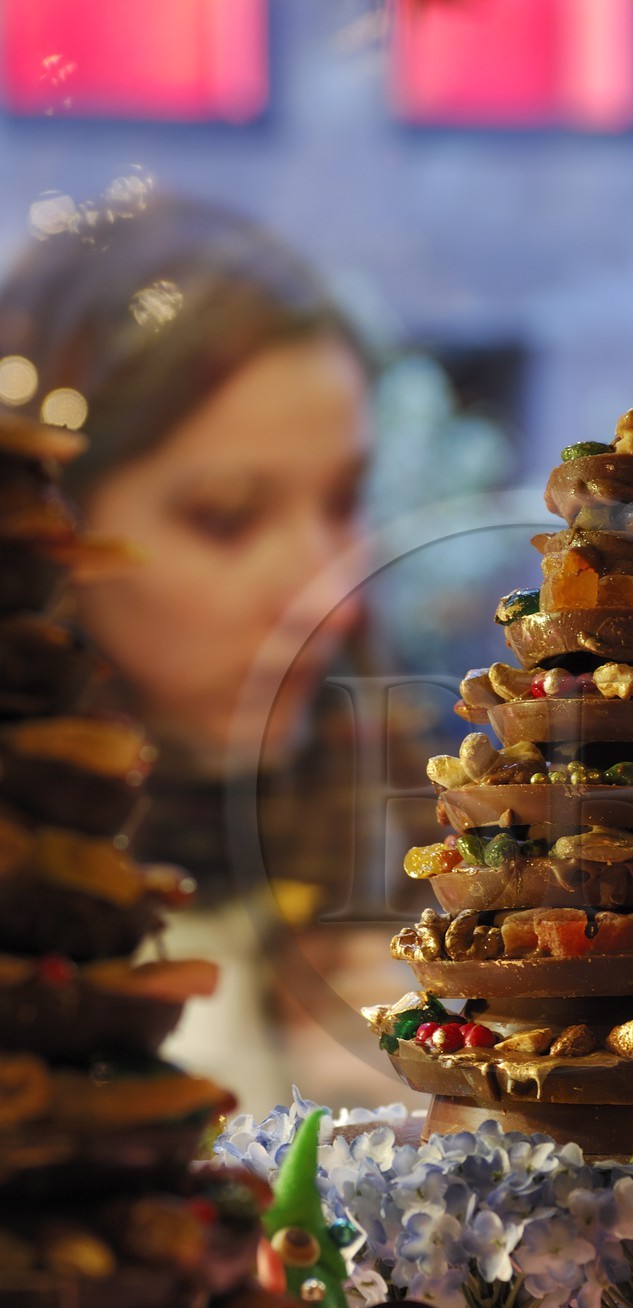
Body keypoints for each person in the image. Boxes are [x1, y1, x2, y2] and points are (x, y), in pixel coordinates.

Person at [0, 190, 421, 1114]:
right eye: (226, 517)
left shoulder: (416, 838)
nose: (328, 594)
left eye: (345, 501)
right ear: (55, 535)